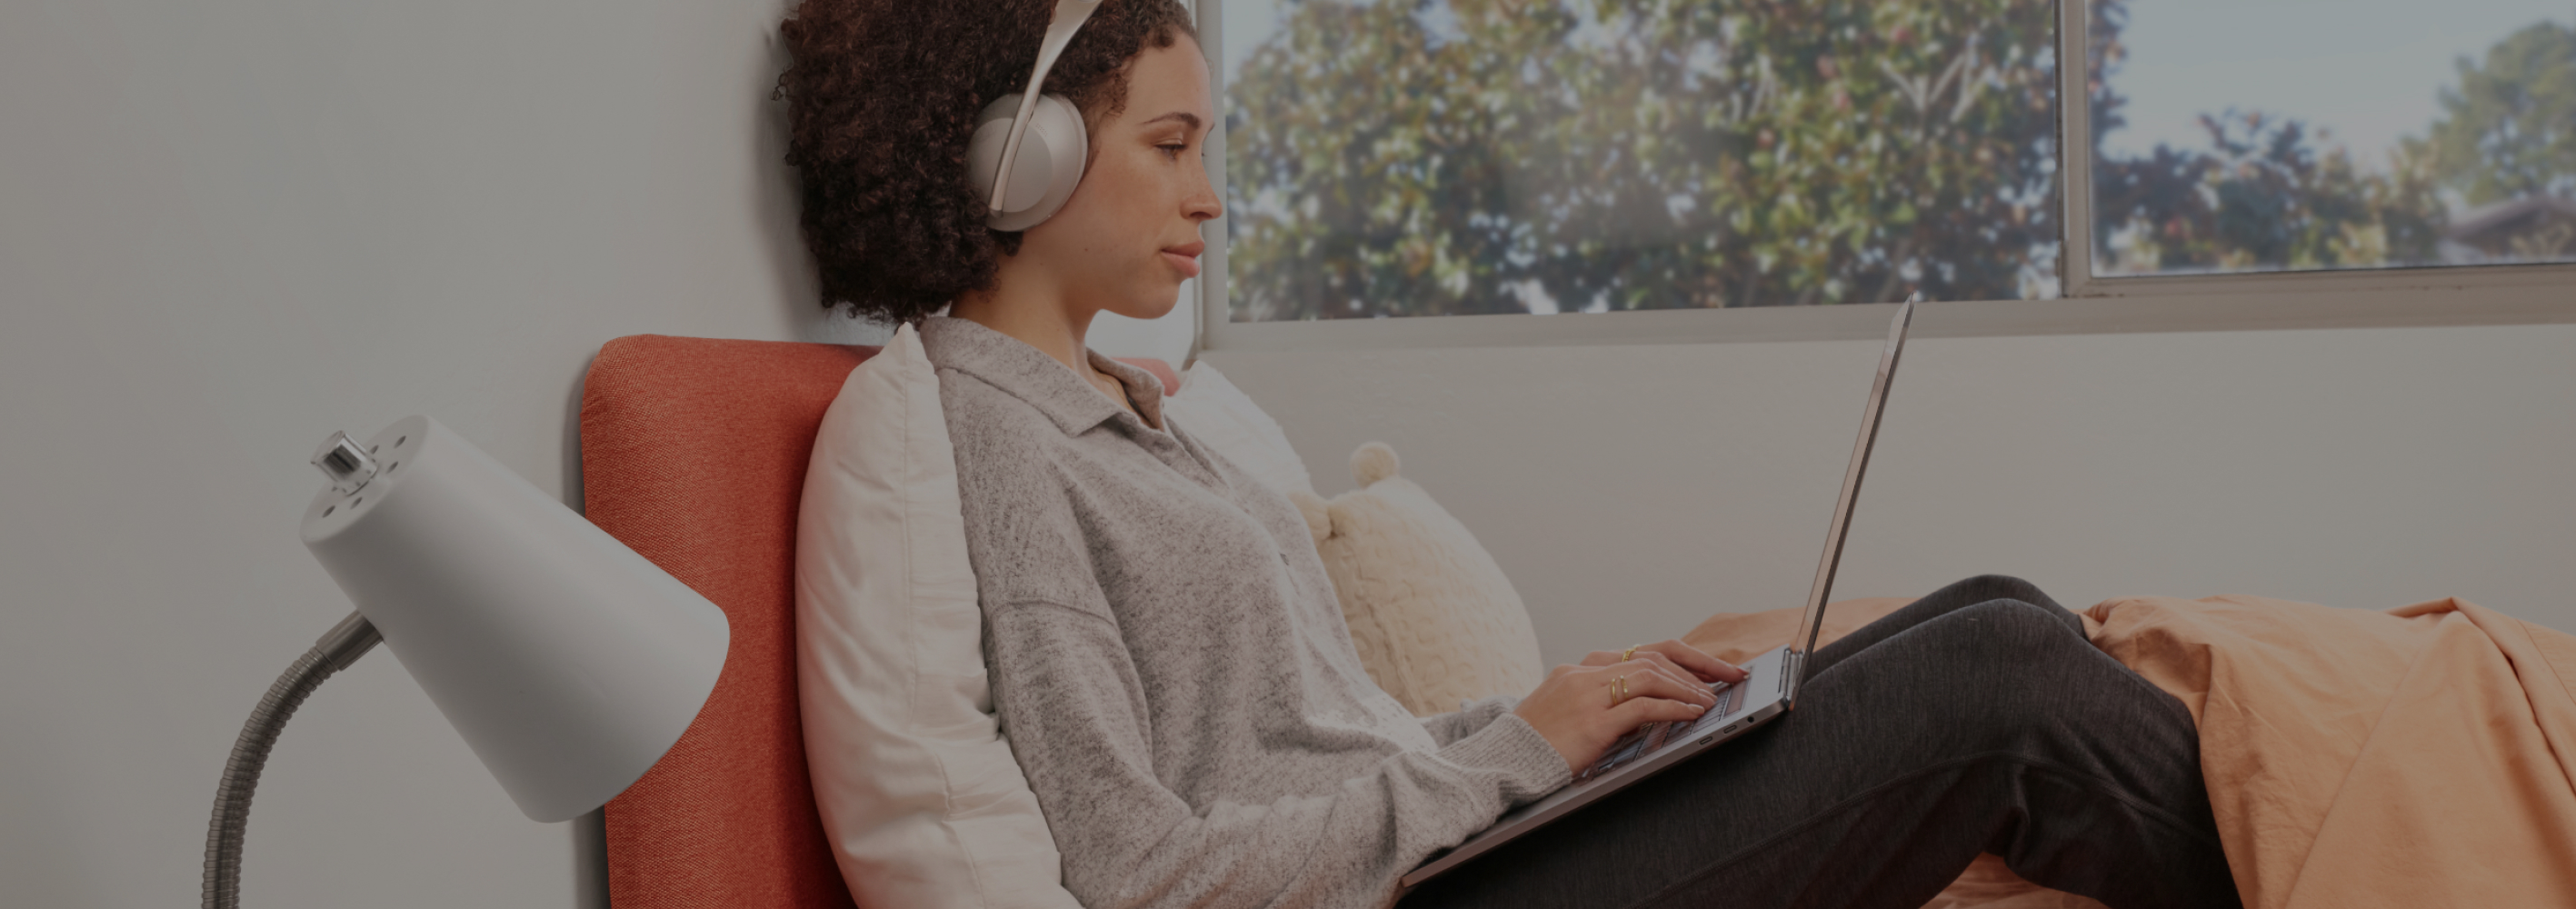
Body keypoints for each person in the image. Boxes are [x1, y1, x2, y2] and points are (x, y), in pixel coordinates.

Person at [777, 2, 2240, 906]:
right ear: (1013, 158)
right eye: (1172, 145)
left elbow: (1324, 742)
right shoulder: (1002, 449)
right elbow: (1138, 874)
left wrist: (1552, 723)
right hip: (1423, 893)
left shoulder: (1142, 416)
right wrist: (1528, 758)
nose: (1211, 199)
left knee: (2000, 610)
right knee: (2006, 686)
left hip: (1454, 846)